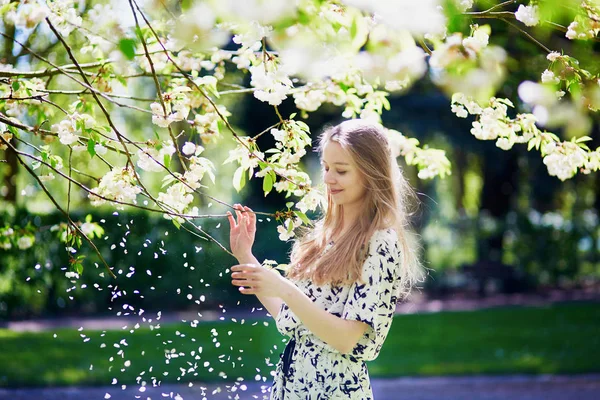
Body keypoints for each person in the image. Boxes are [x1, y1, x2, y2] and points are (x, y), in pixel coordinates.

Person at [226, 119, 424, 399]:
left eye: (341, 171)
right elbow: (293, 317)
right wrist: (246, 256)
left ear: (370, 173)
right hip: (293, 386)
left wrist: (285, 288)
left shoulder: (380, 243)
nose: (329, 179)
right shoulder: (325, 236)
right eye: (326, 168)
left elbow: (346, 339)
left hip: (335, 390)